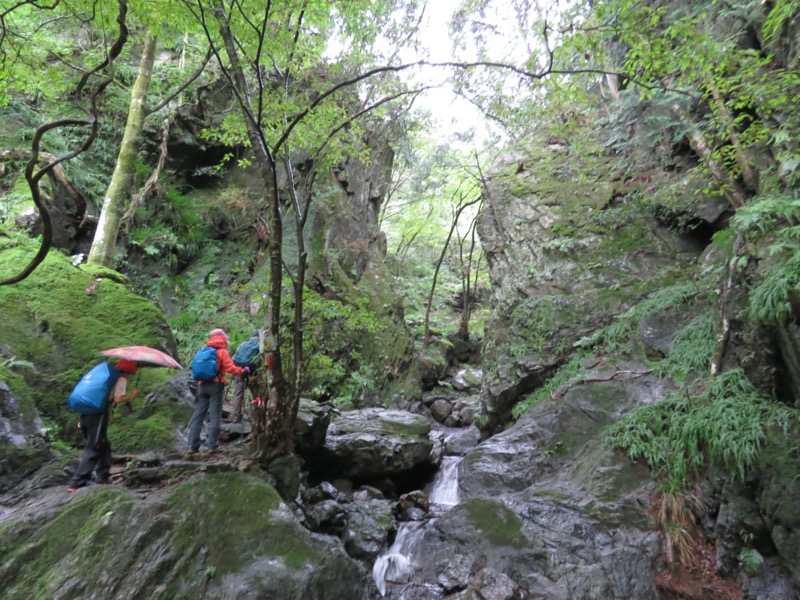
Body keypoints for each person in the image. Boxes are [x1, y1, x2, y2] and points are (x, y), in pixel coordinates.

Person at [68, 358, 139, 491]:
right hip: (98, 415)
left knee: (104, 445)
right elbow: (118, 399)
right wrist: (132, 396)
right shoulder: (121, 379)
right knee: (94, 446)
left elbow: (111, 398)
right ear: (129, 371)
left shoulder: (108, 376)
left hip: (87, 413)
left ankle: (103, 475)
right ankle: (77, 482)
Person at [187, 328, 249, 454]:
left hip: (201, 386)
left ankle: (192, 446)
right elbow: (231, 368)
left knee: (198, 415)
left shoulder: (202, 351)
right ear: (222, 337)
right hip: (216, 386)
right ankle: (212, 446)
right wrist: (243, 371)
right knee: (215, 415)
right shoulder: (221, 352)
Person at [230, 331, 262, 423]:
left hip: (240, 369)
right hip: (254, 371)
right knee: (257, 394)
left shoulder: (243, 344)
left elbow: (233, 358)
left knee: (238, 393)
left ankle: (236, 416)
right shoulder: (261, 344)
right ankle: (256, 417)